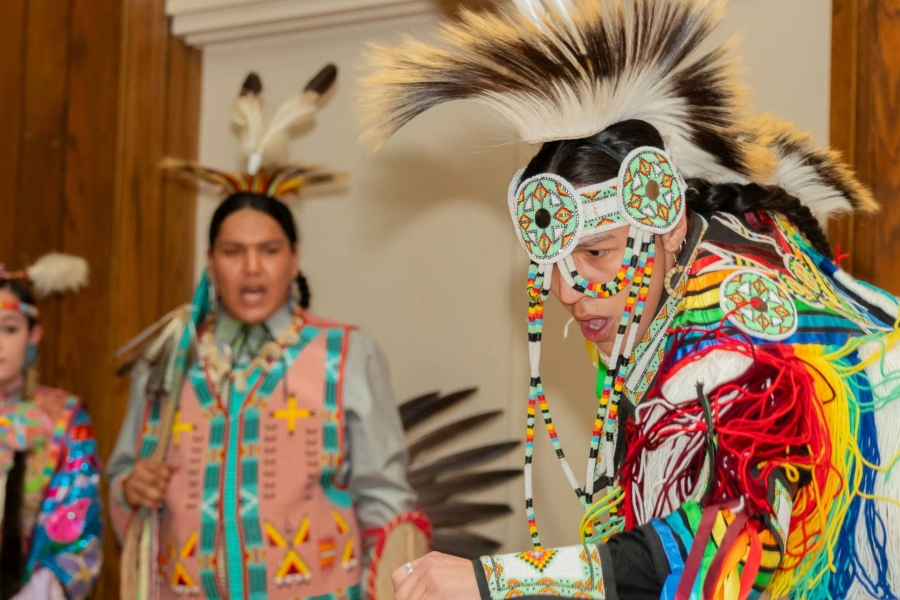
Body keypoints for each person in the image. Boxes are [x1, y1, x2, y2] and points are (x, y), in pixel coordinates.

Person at [360, 0, 900, 598]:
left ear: (667, 227)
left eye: (596, 254)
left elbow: (746, 535)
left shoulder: (738, 321)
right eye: (555, 266)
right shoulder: (655, 303)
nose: (568, 290)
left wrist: (497, 581)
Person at [107, 64, 417, 600]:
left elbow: (386, 499)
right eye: (233, 252)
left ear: (294, 260)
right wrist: (129, 488)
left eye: (269, 251)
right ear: (211, 262)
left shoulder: (345, 353)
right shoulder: (167, 357)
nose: (252, 268)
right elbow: (122, 476)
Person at [0, 255, 101, 600]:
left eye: (9, 328)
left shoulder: (64, 419)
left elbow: (77, 522)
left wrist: (43, 587)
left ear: (34, 335)